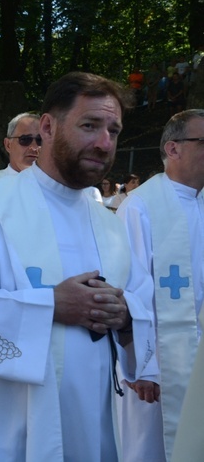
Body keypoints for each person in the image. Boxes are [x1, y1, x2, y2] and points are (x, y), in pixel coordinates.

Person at [0, 72, 156, 460]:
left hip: (89, 429)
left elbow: (138, 310)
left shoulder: (111, 226)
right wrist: (51, 305)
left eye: (113, 130)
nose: (104, 142)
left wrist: (127, 316)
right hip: (1, 429)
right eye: (90, 125)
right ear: (47, 126)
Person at [115, 109, 204, 462]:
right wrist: (144, 365)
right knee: (151, 449)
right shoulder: (141, 207)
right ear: (173, 148)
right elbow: (129, 291)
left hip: (198, 356)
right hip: (159, 368)